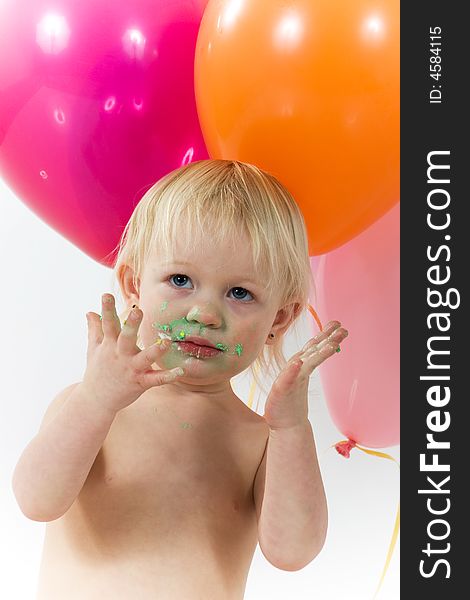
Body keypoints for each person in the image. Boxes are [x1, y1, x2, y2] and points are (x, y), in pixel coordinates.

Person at [12, 159, 348, 599]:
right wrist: (96, 400)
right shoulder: (90, 406)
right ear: (134, 286)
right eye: (181, 280)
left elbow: (293, 552)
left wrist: (291, 427)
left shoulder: (261, 439)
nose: (205, 314)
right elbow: (36, 501)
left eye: (240, 293)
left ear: (278, 320)